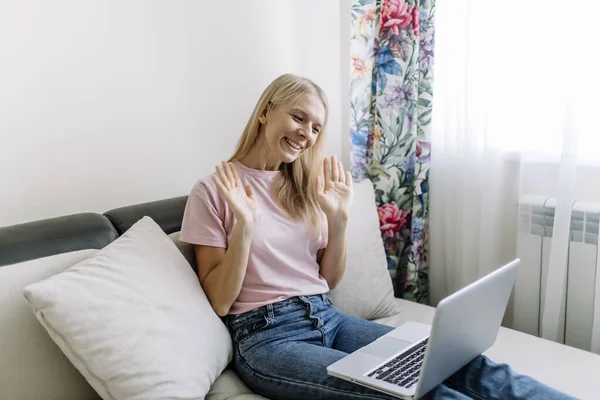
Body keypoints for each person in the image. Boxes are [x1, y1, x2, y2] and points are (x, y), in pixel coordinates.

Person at [179, 74, 573, 400]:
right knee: (417, 392)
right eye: (298, 118)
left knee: (469, 365)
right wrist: (245, 228)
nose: (306, 134)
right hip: (268, 338)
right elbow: (219, 301)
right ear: (265, 112)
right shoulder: (214, 190)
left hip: (328, 317)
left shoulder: (300, 186)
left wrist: (339, 221)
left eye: (316, 127)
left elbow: (328, 280)